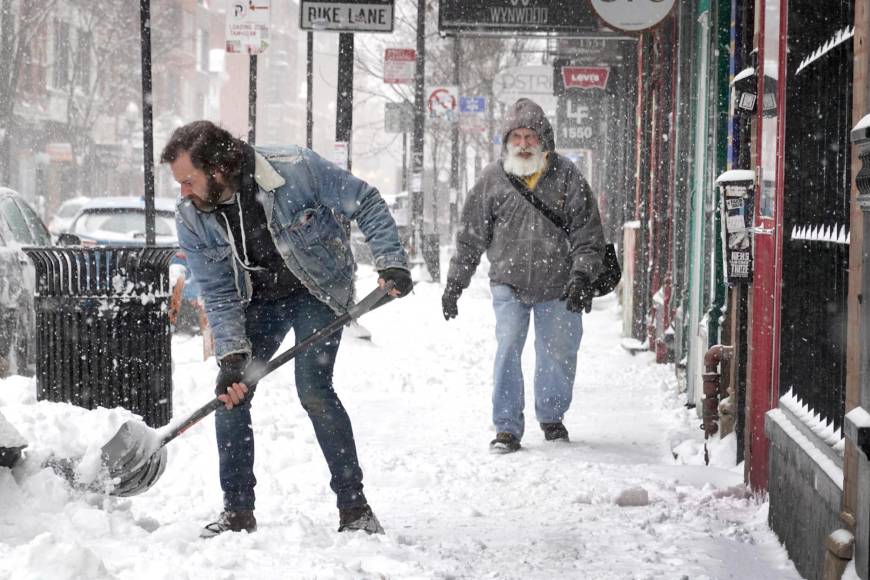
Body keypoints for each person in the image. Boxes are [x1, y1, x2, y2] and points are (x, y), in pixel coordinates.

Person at [160, 121, 412, 537]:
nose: (183, 191)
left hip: (318, 289)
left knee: (313, 388)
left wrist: (391, 261)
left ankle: (355, 508)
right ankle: (237, 512)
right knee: (229, 396)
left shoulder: (294, 168)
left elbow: (364, 200)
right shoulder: (191, 215)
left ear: (218, 167)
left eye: (188, 180)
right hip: (257, 300)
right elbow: (219, 291)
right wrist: (232, 357)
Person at [441, 98, 605, 454]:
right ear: (507, 141)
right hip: (508, 283)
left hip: (559, 283)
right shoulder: (492, 179)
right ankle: (507, 427)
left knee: (558, 353)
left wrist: (581, 276)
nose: (524, 143)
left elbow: (587, 233)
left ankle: (551, 416)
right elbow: (471, 235)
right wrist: (455, 283)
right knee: (508, 350)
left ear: (543, 139)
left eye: (531, 136)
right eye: (517, 136)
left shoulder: (567, 176)